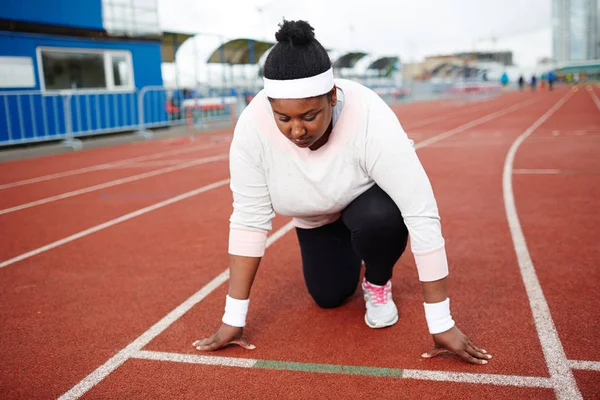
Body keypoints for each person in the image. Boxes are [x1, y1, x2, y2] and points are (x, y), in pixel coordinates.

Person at [193, 19, 492, 365]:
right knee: (329, 296)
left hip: (364, 205)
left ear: (332, 97)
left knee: (381, 219)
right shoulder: (251, 129)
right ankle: (348, 252)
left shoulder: (369, 116)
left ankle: (378, 282)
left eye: (309, 115)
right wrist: (233, 319)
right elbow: (249, 219)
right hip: (315, 218)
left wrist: (441, 321)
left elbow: (420, 210)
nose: (297, 130)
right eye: (283, 118)